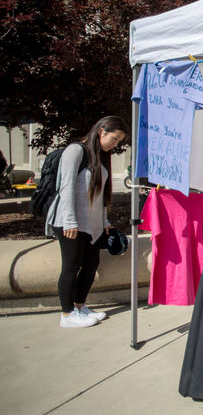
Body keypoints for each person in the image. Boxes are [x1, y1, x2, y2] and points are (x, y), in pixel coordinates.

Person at [46, 116, 128, 328]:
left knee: (91, 265)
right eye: (115, 138)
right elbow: (67, 188)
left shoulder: (101, 156)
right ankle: (66, 314)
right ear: (101, 131)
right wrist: (69, 222)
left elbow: (100, 196)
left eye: (119, 141)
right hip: (70, 222)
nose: (115, 144)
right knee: (71, 267)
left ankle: (80, 306)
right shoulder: (76, 151)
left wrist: (104, 221)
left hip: (92, 225)